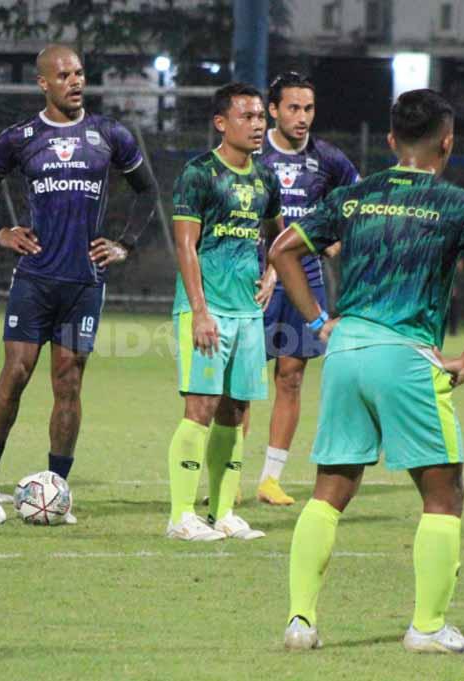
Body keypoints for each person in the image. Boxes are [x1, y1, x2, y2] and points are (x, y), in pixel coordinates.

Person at [270, 89, 464, 653]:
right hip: (406, 354)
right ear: (447, 142)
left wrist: (319, 320)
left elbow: (283, 249)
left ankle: (300, 622)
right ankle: (426, 627)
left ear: (389, 141)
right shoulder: (457, 204)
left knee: (329, 490)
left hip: (347, 349)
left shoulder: (354, 196)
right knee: (444, 495)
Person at [0, 44, 158, 524]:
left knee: (68, 382)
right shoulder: (21, 137)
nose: (75, 82)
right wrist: (4, 231)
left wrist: (125, 244)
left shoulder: (109, 134)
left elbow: (148, 190)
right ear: (43, 83)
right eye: (65, 75)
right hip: (35, 278)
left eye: (79, 73)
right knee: (15, 373)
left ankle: (58, 490)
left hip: (85, 282)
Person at [165, 82, 283, 541]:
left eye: (260, 118)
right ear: (221, 122)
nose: (258, 125)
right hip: (207, 308)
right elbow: (185, 244)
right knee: (200, 407)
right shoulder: (197, 174)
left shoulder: (265, 178)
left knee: (235, 411)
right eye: (248, 117)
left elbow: (280, 233)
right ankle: (180, 516)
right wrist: (199, 311)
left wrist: (272, 270)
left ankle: (224, 512)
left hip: (248, 313)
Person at [254, 72, 359, 506]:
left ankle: (269, 479)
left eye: (309, 109)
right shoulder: (254, 154)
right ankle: (225, 475)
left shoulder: (328, 160)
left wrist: (335, 235)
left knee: (291, 378)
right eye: (293, 108)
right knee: (239, 383)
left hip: (305, 279)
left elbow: (357, 201)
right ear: (274, 110)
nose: (302, 118)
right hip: (255, 279)